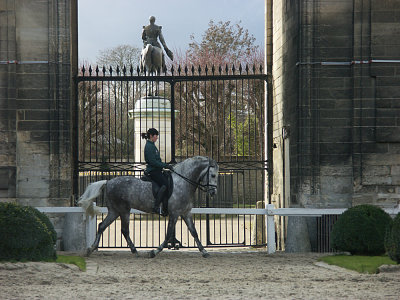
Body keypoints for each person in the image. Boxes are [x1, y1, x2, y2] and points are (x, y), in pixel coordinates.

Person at [142, 128, 172, 216]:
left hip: (157, 170)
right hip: (153, 171)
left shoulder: (152, 145)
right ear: (151, 136)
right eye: (156, 136)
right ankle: (156, 206)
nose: (157, 138)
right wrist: (165, 165)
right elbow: (153, 162)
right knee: (165, 184)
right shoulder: (149, 146)